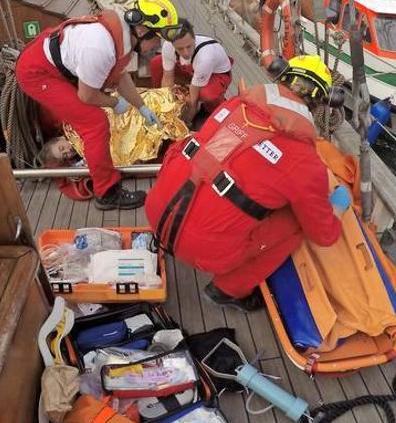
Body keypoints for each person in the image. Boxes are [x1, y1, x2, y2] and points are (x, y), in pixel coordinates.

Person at [144, 55, 344, 312]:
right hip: (204, 253)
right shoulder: (304, 161)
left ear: (280, 78)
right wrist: (338, 205)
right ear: (320, 105)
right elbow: (323, 234)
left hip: (158, 212)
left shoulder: (236, 105)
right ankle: (228, 290)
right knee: (297, 222)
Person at [15, 0, 179, 210]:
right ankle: (106, 193)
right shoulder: (101, 47)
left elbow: (119, 75)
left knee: (93, 117)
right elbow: (87, 96)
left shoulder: (123, 37)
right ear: (141, 30)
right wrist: (114, 103)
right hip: (37, 73)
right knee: (95, 122)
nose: (156, 47)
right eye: (157, 40)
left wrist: (142, 107)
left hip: (55, 62)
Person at [149, 19, 232, 123]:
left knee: (208, 95)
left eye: (189, 46)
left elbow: (193, 100)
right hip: (192, 70)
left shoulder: (205, 58)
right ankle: (159, 99)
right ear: (172, 45)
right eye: (180, 49)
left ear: (194, 40)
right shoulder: (168, 46)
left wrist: (187, 122)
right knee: (156, 63)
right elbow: (167, 77)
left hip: (215, 74)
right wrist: (166, 103)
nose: (186, 53)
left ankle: (210, 110)